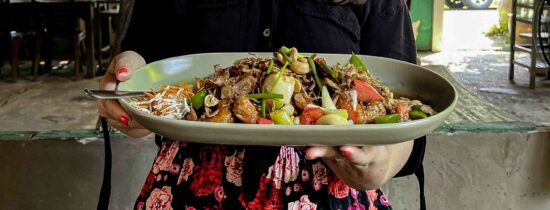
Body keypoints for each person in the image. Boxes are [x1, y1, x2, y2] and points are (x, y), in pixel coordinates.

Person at [97, 0, 426, 209]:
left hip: (332, 190)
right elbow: (150, 79)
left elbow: (403, 113)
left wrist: (377, 164)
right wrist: (135, 97)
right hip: (190, 188)